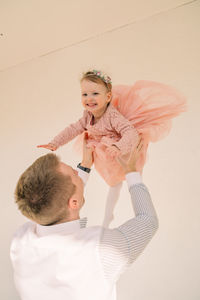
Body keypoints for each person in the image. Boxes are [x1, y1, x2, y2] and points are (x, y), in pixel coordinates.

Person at [11, 135, 158, 300]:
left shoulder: (21, 239)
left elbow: (53, 200)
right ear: (73, 202)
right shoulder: (98, 248)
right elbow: (148, 220)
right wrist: (131, 171)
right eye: (75, 173)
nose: (77, 171)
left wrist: (85, 165)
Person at [37, 69, 186, 227]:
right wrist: (55, 143)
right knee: (113, 183)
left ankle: (128, 208)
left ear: (108, 97)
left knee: (126, 178)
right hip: (104, 155)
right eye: (84, 94)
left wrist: (118, 146)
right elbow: (74, 128)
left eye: (95, 93)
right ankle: (109, 215)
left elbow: (131, 133)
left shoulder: (112, 116)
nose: (89, 99)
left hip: (120, 150)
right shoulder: (88, 115)